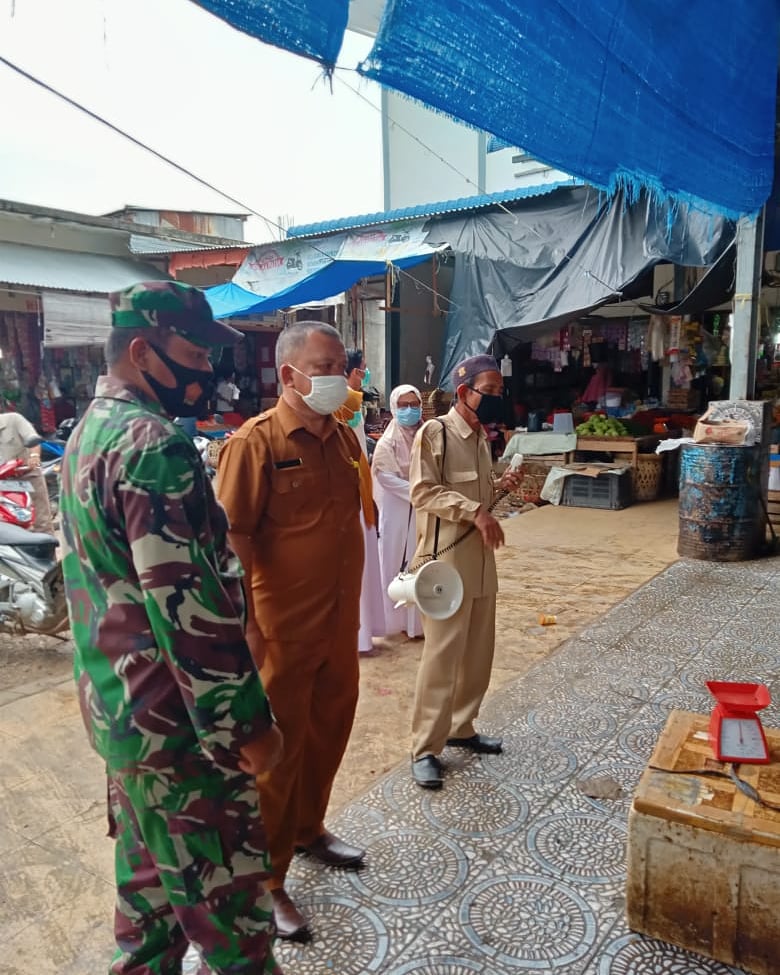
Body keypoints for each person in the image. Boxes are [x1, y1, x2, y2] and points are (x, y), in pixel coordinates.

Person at [58, 281, 284, 975]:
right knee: (237, 933)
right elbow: (189, 612)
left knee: (151, 922)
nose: (205, 368)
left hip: (125, 722)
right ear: (140, 350)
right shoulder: (154, 446)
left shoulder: (87, 434)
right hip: (183, 738)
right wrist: (247, 726)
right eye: (193, 350)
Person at [216, 321, 366, 943]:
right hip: (281, 630)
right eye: (325, 365)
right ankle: (266, 881)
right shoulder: (254, 443)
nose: (339, 378)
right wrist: (245, 626)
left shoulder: (344, 439)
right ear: (289, 374)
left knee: (329, 731)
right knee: (275, 755)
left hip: (338, 625)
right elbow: (235, 538)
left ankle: (310, 829)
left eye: (342, 365)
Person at [408, 354, 523, 790]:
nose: (496, 399)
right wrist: (475, 510)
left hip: (479, 559)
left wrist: (499, 490)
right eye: (489, 391)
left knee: (478, 649)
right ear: (463, 391)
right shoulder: (433, 433)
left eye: (499, 392)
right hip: (445, 562)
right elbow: (423, 492)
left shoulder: (480, 437)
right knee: (442, 656)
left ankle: (462, 727)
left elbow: (479, 497)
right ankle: (425, 748)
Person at [336, 349, 386, 656]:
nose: (365, 375)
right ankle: (357, 635)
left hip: (359, 490)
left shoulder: (351, 400)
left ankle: (363, 634)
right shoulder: (342, 401)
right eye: (362, 370)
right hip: (347, 495)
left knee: (363, 564)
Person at [371, 384, 424, 639]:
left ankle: (418, 625)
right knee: (393, 560)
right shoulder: (387, 442)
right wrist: (420, 491)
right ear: (393, 408)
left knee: (421, 559)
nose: (409, 410)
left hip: (424, 508)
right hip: (397, 505)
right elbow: (385, 477)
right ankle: (394, 622)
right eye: (403, 406)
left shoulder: (428, 434)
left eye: (414, 405)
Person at [0, 407, 55, 533]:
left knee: (41, 521)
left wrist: (34, 456)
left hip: (27, 475)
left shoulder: (14, 419)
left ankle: (47, 549)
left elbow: (33, 439)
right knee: (8, 522)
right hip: (4, 481)